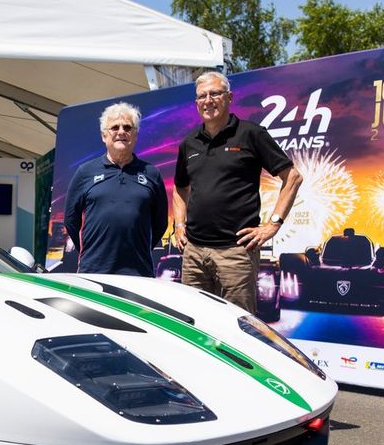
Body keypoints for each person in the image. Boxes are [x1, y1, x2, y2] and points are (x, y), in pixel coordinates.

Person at [172, 71, 302, 313]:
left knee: (237, 325)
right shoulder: (189, 143)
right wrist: (179, 225)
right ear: (196, 103)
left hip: (236, 253)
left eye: (215, 94)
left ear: (229, 97)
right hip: (194, 254)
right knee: (194, 322)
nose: (208, 100)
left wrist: (272, 225)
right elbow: (180, 187)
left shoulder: (251, 134)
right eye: (202, 96)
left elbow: (292, 177)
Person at [64, 102, 168, 276]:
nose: (121, 132)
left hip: (139, 272)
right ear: (104, 136)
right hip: (94, 271)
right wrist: (89, 250)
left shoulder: (152, 173)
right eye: (114, 127)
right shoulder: (85, 172)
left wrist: (141, 247)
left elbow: (160, 223)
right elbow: (70, 220)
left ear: (135, 135)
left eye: (127, 127)